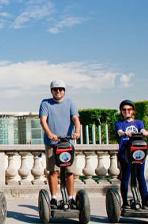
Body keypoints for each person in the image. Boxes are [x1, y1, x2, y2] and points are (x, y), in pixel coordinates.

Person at [39, 79, 81, 208]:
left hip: (68, 143)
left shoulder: (70, 102)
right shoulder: (45, 103)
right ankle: (53, 198)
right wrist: (49, 133)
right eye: (55, 89)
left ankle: (70, 198)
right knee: (53, 171)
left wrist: (77, 132)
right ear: (51, 91)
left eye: (60, 89)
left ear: (64, 91)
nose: (58, 91)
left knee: (69, 171)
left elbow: (75, 119)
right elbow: (43, 120)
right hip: (52, 143)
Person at [115, 100, 148, 208]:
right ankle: (125, 202)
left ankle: (144, 202)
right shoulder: (119, 123)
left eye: (129, 109)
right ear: (121, 111)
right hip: (125, 153)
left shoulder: (138, 122)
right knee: (125, 177)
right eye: (124, 110)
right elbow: (119, 132)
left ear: (132, 111)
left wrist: (144, 132)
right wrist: (125, 133)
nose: (126, 111)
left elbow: (143, 129)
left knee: (140, 176)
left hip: (138, 152)